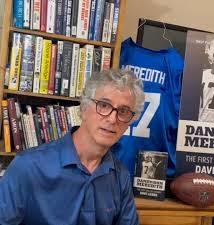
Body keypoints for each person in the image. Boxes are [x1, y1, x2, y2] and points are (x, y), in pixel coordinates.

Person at [0, 69, 145, 225]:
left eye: (123, 111)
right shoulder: (27, 167)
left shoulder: (120, 176)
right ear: (83, 108)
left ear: (131, 121)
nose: (112, 118)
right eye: (104, 105)